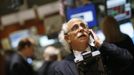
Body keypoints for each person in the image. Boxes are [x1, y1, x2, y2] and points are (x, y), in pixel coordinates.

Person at [49, 18, 133, 75]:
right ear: (67, 38)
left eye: (83, 26)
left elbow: (128, 59)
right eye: (75, 27)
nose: (81, 29)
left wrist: (101, 44)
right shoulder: (62, 68)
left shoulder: (104, 52)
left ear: (89, 32)